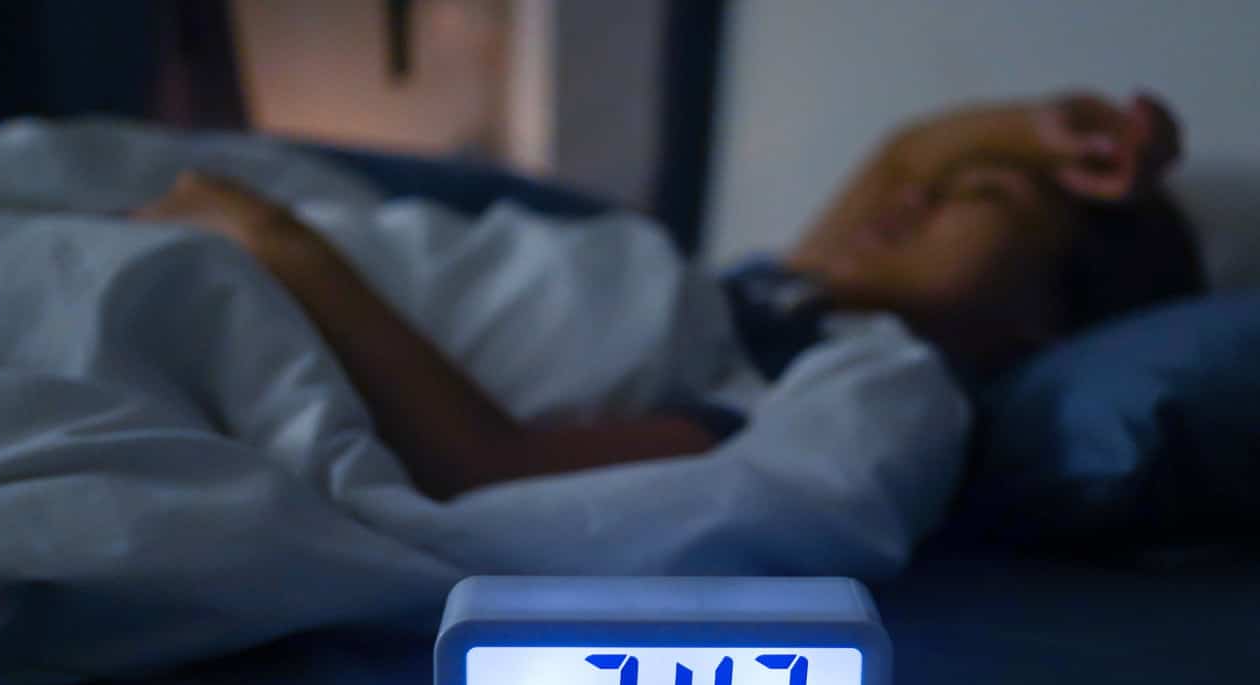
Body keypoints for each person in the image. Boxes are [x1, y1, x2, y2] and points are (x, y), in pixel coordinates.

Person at [131, 91, 1205, 501]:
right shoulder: (799, 289)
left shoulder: (841, 373)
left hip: (279, 276)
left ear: (1043, 323)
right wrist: (1050, 133)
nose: (913, 197)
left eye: (985, 200)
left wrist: (277, 242)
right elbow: (908, 147)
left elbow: (489, 466)